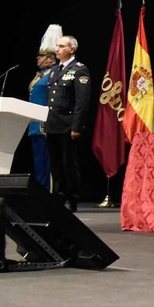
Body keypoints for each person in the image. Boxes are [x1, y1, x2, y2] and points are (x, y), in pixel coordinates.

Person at [43, 34, 95, 211]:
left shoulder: (79, 70)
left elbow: (82, 102)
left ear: (72, 49)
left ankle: (71, 198)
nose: (57, 49)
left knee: (69, 164)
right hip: (53, 124)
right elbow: (51, 101)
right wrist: (45, 123)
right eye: (57, 46)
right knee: (55, 164)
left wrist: (77, 126)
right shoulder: (55, 71)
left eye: (62, 46)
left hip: (68, 124)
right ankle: (58, 196)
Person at [25, 31, 59, 190]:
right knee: (39, 163)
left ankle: (49, 193)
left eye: (41, 56)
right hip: (34, 125)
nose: (37, 58)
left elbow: (52, 102)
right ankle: (41, 192)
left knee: (48, 164)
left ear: (51, 59)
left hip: (44, 126)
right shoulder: (40, 75)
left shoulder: (53, 75)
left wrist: (47, 124)